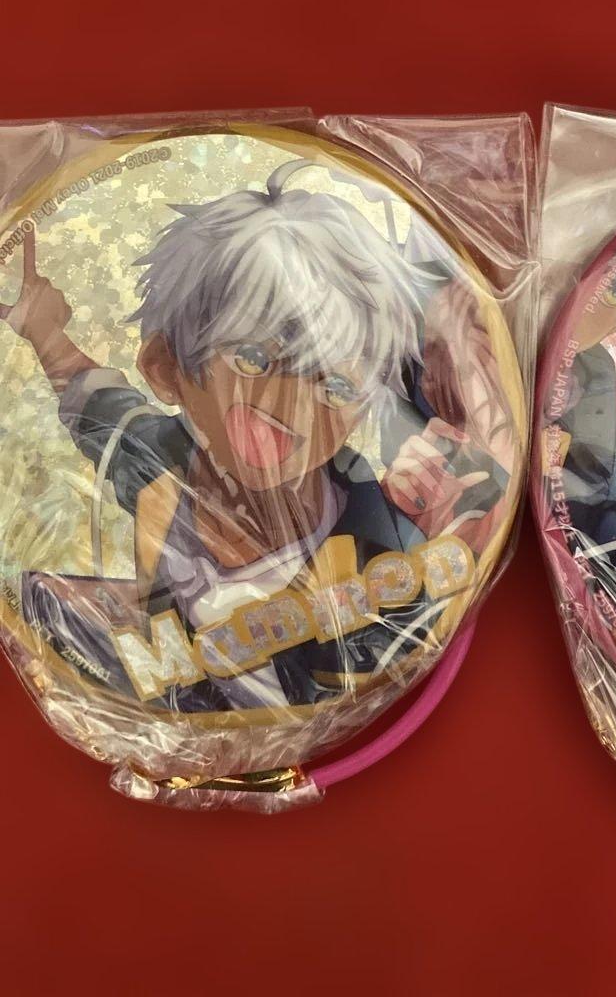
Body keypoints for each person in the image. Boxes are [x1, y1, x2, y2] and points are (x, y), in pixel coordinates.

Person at [1, 160, 485, 711]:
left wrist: (436, 527)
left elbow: (396, 654)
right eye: (254, 360)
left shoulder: (380, 545)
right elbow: (103, 409)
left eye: (337, 387)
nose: (291, 408)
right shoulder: (164, 466)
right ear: (166, 369)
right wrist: (43, 331)